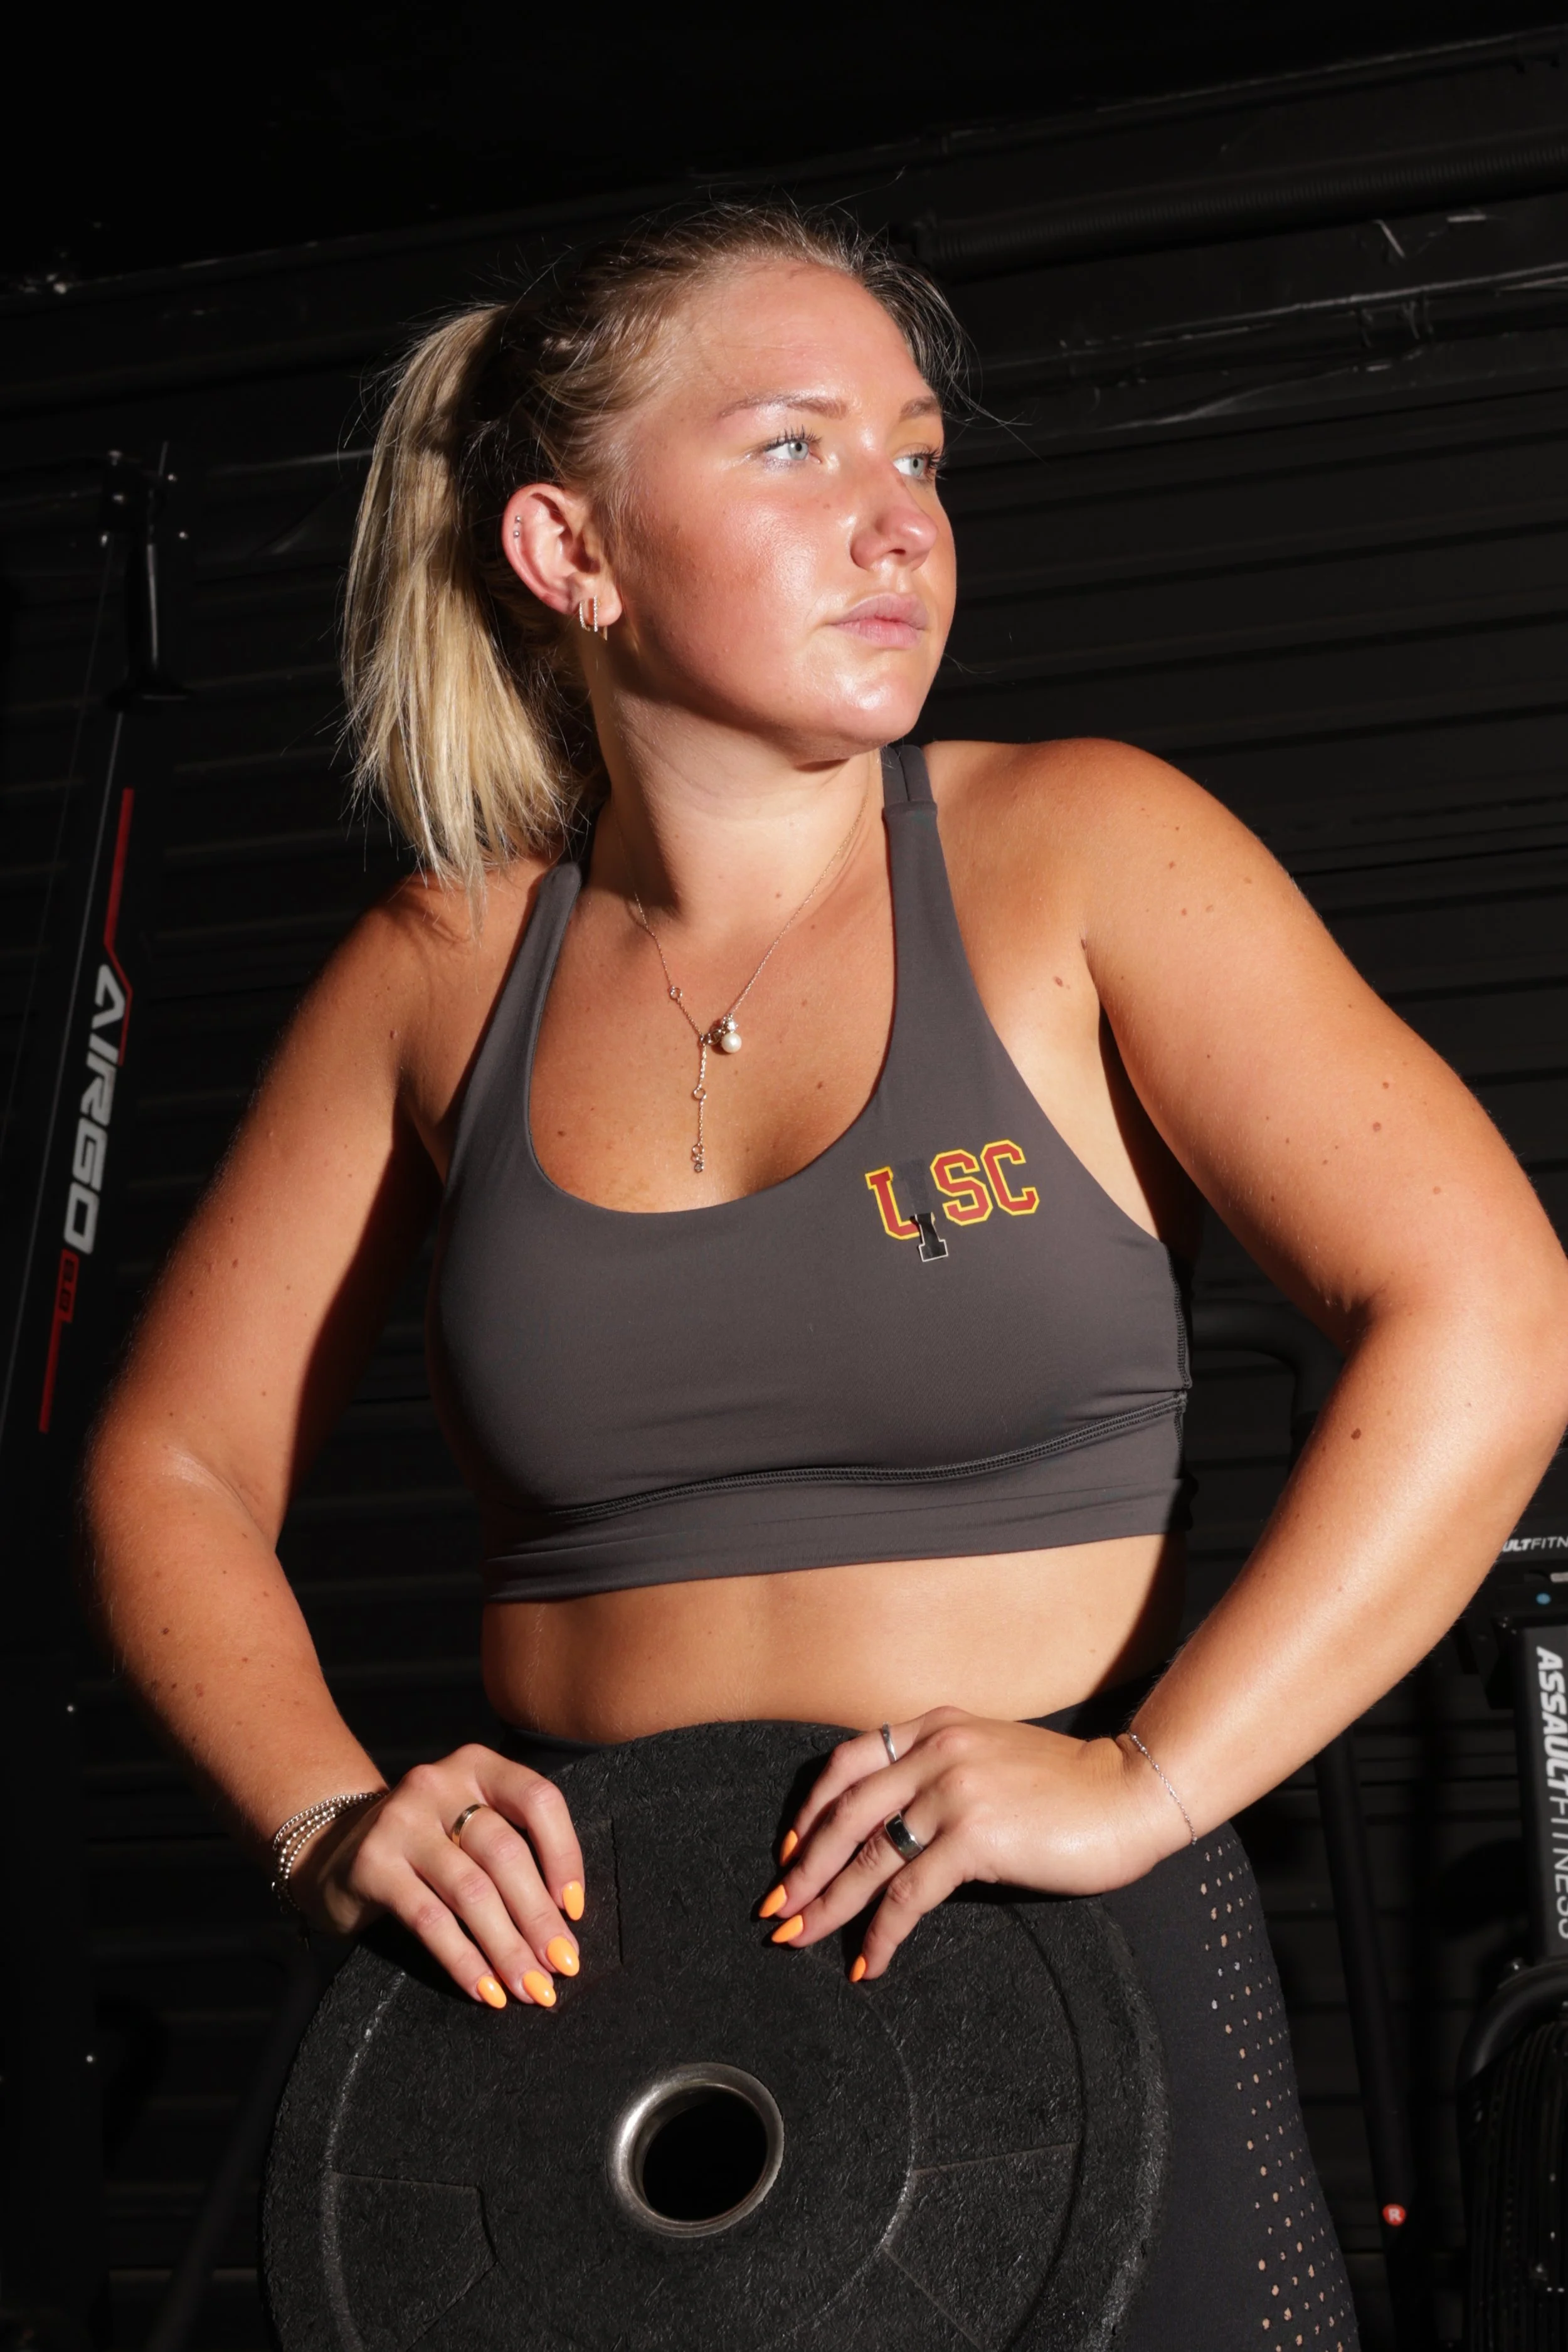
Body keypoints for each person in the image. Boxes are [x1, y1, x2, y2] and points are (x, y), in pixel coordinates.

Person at [83, 205, 1568, 2346]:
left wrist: (1149, 1781)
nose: (897, 522)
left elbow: (1488, 1316)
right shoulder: (441, 968)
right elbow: (171, 1467)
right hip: (576, 1988)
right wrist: (325, 1806)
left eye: (919, 457)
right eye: (795, 449)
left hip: (1042, 1937)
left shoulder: (1079, 846)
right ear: (566, 553)